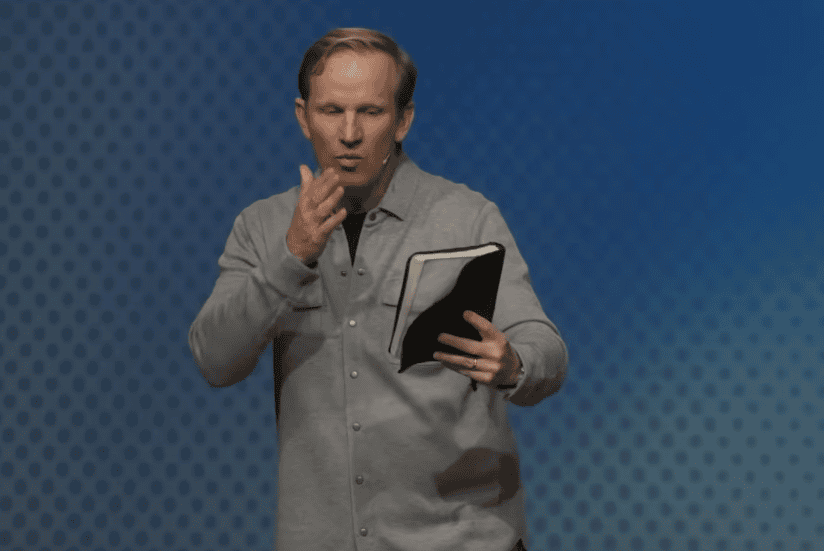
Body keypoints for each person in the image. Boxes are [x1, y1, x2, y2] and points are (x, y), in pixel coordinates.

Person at [188, 27, 568, 551]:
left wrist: (514, 365)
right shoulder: (261, 226)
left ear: (403, 120)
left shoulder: (467, 217)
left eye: (370, 112)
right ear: (303, 117)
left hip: (460, 538)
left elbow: (545, 347)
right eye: (331, 111)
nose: (349, 133)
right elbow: (215, 359)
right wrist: (291, 256)